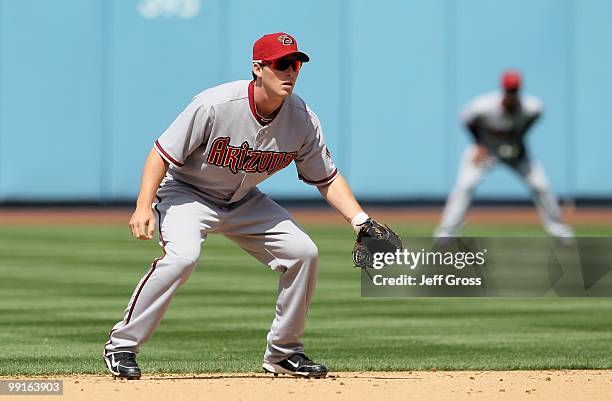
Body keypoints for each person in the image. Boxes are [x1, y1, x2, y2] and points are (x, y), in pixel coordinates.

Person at [103, 32, 375, 380]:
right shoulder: (214, 105)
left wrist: (360, 221)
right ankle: (122, 345)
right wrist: (143, 205)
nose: (290, 71)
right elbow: (161, 153)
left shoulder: (303, 118)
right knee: (183, 257)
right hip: (188, 193)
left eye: (295, 64)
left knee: (303, 252)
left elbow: (326, 178)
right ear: (258, 68)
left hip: (244, 201)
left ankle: (283, 352)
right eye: (281, 65)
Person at [434, 70, 574, 242]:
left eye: (514, 90)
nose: (511, 93)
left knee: (541, 186)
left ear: (519, 90)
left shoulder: (532, 107)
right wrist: (478, 143)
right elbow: (466, 119)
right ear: (503, 89)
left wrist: (520, 140)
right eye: (509, 89)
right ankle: (446, 232)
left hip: (515, 151)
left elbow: (531, 121)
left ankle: (559, 230)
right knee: (465, 185)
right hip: (486, 150)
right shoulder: (483, 106)